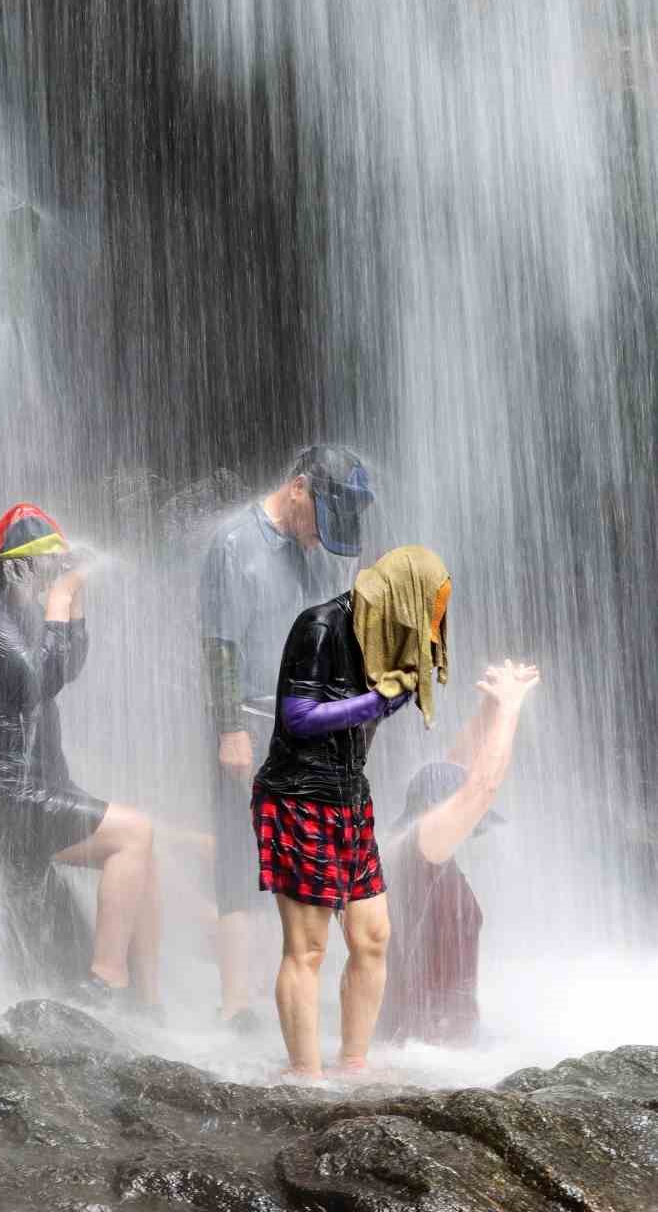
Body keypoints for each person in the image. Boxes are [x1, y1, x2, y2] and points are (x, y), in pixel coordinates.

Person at [0, 504, 160, 1008]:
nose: (46, 581)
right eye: (43, 569)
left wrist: (71, 602)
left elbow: (65, 665)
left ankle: (150, 999)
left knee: (146, 850)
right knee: (135, 834)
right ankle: (105, 982)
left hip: (29, 788)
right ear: (14, 563)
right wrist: (59, 599)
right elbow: (34, 682)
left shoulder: (12, 605)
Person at [252, 544, 451, 1081]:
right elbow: (297, 716)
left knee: (372, 936)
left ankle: (353, 1065)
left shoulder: (384, 642)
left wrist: (390, 698)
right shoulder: (319, 626)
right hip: (297, 798)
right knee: (308, 948)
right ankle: (306, 1079)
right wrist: (375, 704)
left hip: (350, 799)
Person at [199, 444, 375, 1031]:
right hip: (248, 715)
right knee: (238, 852)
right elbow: (218, 644)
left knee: (307, 853)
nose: (320, 537)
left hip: (313, 721)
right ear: (298, 488)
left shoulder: (322, 549)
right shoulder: (233, 544)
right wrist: (228, 729)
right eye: (320, 522)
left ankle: (298, 986)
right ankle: (234, 1002)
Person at [377, 657, 540, 1048]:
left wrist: (490, 708)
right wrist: (512, 708)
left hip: (431, 1042)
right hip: (427, 1047)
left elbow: (454, 768)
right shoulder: (422, 852)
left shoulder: (406, 850)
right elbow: (479, 787)